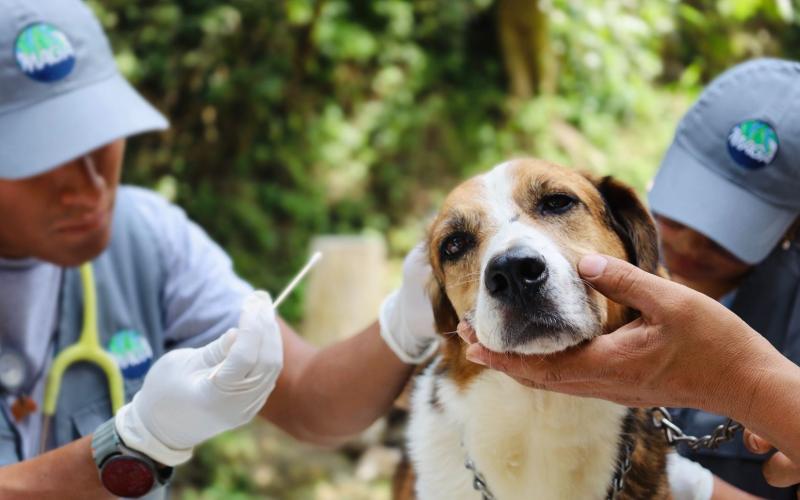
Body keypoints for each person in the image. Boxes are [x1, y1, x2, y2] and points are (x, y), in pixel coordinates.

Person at [0, 1, 437, 498]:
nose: (90, 183)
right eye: (41, 152)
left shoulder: (147, 238)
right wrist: (138, 442)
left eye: (97, 132)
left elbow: (313, 404)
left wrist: (406, 319)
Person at [468, 58, 800, 498]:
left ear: (793, 229)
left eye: (734, 227)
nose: (694, 241)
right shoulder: (602, 247)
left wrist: (748, 388)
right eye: (687, 206)